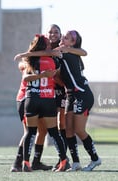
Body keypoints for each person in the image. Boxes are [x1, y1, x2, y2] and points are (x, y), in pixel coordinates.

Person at [14, 24, 88, 171]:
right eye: (50, 32)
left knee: (61, 126)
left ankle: (62, 160)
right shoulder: (40, 48)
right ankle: (21, 162)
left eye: (56, 32)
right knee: (37, 130)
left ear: (60, 35)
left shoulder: (61, 49)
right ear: (46, 35)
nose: (53, 34)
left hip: (57, 92)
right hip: (36, 95)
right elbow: (23, 66)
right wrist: (26, 60)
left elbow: (82, 54)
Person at [21, 34, 68, 172]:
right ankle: (64, 161)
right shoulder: (53, 60)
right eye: (47, 44)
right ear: (43, 46)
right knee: (54, 132)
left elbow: (25, 78)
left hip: (32, 99)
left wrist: (40, 75)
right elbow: (58, 73)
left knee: (30, 132)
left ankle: (26, 163)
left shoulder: (29, 59)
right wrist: (45, 75)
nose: (50, 47)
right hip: (47, 99)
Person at [57, 30, 102, 171]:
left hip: (82, 94)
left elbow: (84, 52)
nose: (62, 38)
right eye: (63, 36)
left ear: (72, 43)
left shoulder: (66, 51)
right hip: (71, 95)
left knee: (78, 130)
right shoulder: (63, 51)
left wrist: (27, 55)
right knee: (68, 129)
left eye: (67, 38)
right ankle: (76, 162)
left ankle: (95, 159)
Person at [10, 59, 52, 172]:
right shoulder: (31, 59)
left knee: (43, 131)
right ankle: (17, 163)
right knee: (28, 132)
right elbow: (22, 64)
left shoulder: (48, 60)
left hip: (39, 98)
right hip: (25, 99)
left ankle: (36, 162)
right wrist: (25, 64)